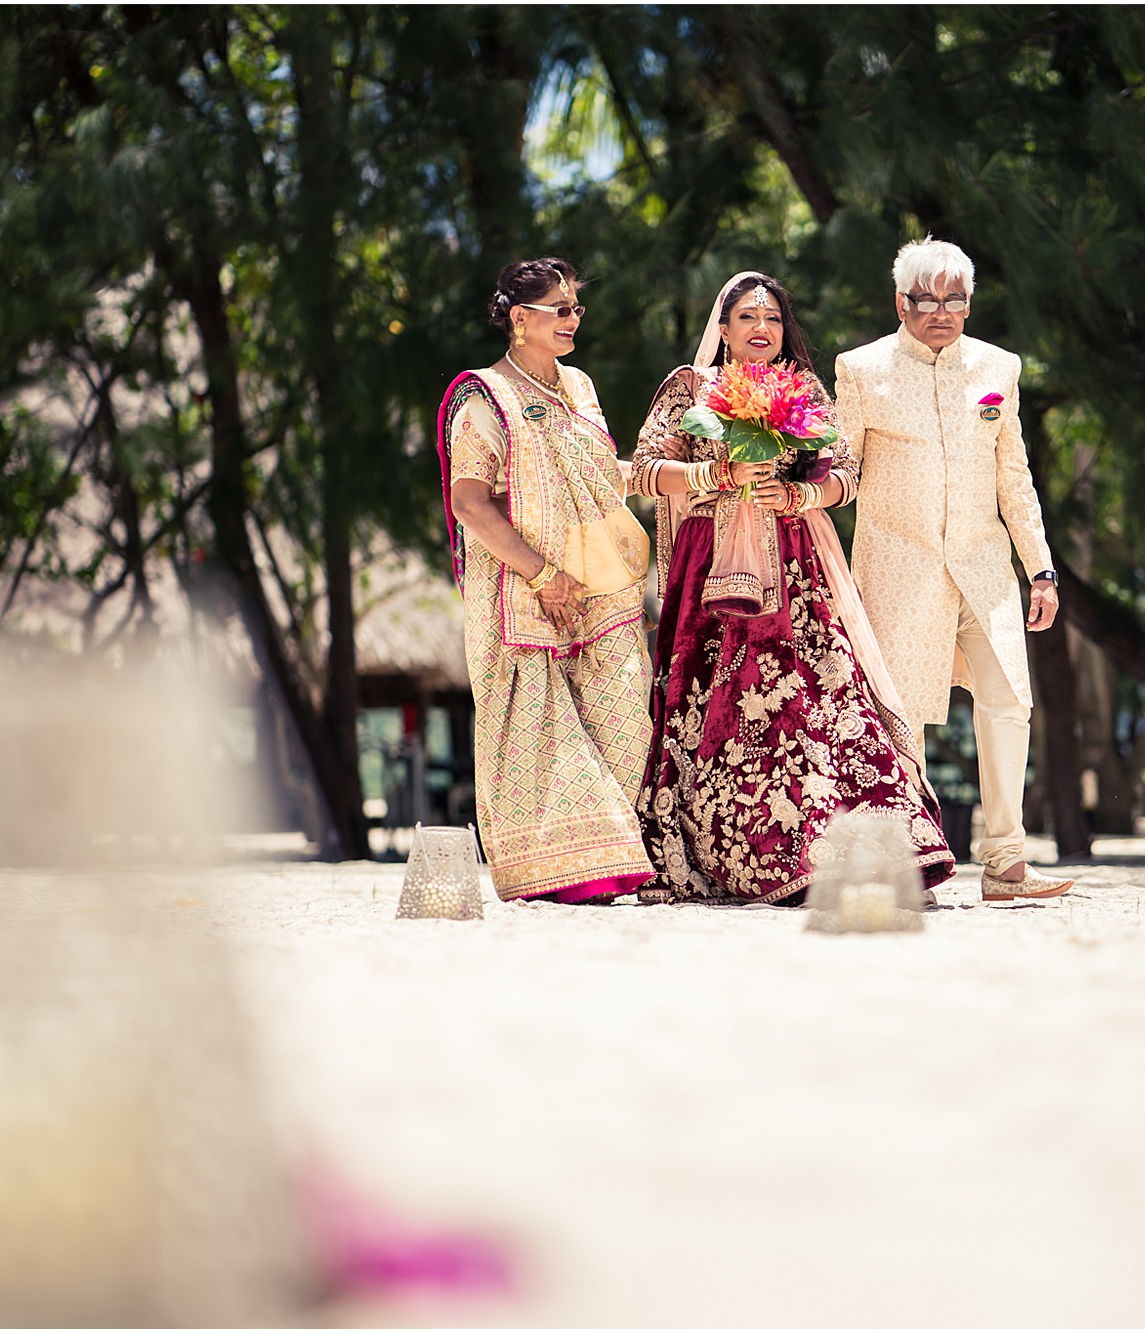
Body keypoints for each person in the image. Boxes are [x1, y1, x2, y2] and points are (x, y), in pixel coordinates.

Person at [630, 271, 956, 905]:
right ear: (722, 328)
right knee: (721, 707)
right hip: (712, 573)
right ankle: (747, 860)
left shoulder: (802, 389)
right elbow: (645, 470)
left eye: (773, 319)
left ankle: (860, 854)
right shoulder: (691, 389)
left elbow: (847, 473)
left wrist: (803, 492)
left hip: (796, 567)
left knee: (823, 701)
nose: (761, 329)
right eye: (748, 317)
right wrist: (713, 474)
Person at [834, 237, 1074, 902]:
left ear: (969, 302)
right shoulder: (861, 369)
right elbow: (843, 472)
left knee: (1008, 702)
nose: (941, 311)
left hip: (985, 565)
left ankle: (1006, 863)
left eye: (954, 299)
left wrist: (1042, 570)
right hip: (896, 564)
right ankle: (911, 863)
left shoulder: (1000, 367)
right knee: (900, 713)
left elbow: (1014, 477)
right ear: (900, 303)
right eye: (925, 299)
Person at [434, 257, 654, 903]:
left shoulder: (580, 386)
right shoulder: (483, 396)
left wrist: (691, 477)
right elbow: (470, 501)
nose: (572, 319)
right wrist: (543, 574)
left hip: (602, 587)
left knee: (622, 717)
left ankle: (616, 859)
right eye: (560, 308)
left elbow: (602, 473)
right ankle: (561, 872)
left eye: (576, 308)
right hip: (522, 591)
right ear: (520, 318)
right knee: (539, 724)